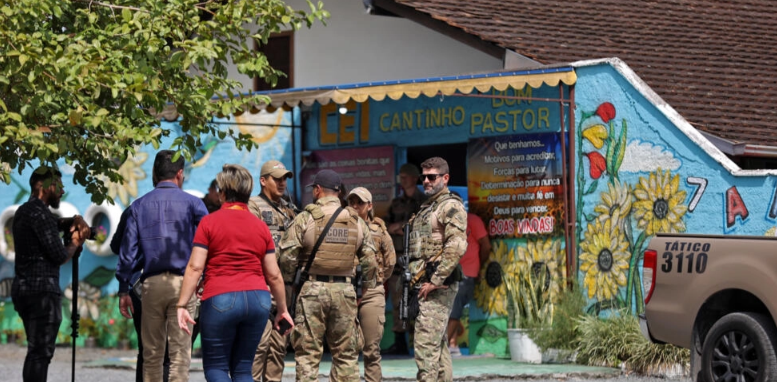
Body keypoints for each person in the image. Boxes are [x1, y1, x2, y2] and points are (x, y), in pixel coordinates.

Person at [176, 164, 293, 382]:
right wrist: (283, 310)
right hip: (258, 300)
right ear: (247, 193)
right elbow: (274, 275)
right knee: (243, 369)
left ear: (222, 193)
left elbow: (195, 267)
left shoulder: (209, 222)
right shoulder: (260, 226)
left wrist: (182, 305)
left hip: (221, 298)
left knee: (217, 367)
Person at [116, 150, 209, 382]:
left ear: (155, 174)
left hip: (151, 285)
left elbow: (127, 252)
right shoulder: (195, 205)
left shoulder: (138, 206)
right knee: (179, 355)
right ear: (180, 174)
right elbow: (210, 244)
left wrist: (123, 289)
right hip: (184, 285)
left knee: (152, 354)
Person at [278, 169, 378, 382]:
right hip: (345, 291)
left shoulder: (305, 218)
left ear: (317, 190)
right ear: (339, 192)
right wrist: (365, 290)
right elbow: (370, 260)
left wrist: (289, 283)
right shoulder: (356, 221)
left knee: (308, 354)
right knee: (346, 355)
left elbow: (287, 257)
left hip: (312, 290)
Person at [11, 165, 90, 382]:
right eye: (59, 186)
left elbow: (53, 225)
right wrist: (75, 242)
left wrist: (71, 221)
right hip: (42, 292)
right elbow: (58, 255)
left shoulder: (25, 211)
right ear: (45, 186)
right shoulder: (40, 213)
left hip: (25, 289)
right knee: (40, 353)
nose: (62, 191)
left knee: (36, 351)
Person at [408, 157, 467, 381]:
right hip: (424, 283)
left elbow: (457, 245)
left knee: (425, 350)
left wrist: (436, 279)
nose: (426, 181)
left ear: (445, 178)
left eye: (431, 177)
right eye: (424, 177)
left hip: (437, 286)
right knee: (437, 348)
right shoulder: (428, 207)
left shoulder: (450, 205)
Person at [248, 160, 298, 382]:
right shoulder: (253, 206)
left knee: (278, 348)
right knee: (258, 346)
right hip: (261, 285)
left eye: (284, 179)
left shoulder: (290, 209)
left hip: (285, 286)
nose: (282, 183)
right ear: (263, 181)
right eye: (276, 178)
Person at [111, 205, 171, 382]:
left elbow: (117, 247)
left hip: (141, 286)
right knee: (168, 353)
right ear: (179, 176)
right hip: (176, 285)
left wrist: (123, 289)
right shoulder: (187, 205)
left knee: (146, 349)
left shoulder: (135, 208)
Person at [347, 187, 396, 382]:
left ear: (370, 205)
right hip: (347, 289)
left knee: (371, 350)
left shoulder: (379, 228)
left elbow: (390, 259)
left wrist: (378, 280)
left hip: (372, 291)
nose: (355, 206)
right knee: (346, 349)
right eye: (352, 202)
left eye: (360, 202)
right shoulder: (341, 226)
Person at [383, 163, 426, 355]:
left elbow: (423, 228)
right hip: (399, 261)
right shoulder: (396, 203)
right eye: (401, 176)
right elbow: (386, 227)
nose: (403, 179)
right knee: (398, 301)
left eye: (406, 176)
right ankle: (400, 342)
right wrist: (401, 226)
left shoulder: (424, 201)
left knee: (418, 301)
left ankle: (420, 343)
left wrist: (404, 228)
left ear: (415, 178)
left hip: (418, 259)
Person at [446, 209, 491, 355]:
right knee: (448, 309)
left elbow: (486, 245)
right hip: (447, 272)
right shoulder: (446, 221)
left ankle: (441, 346)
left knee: (454, 310)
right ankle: (452, 345)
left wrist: (479, 265)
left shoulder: (472, 220)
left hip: (466, 272)